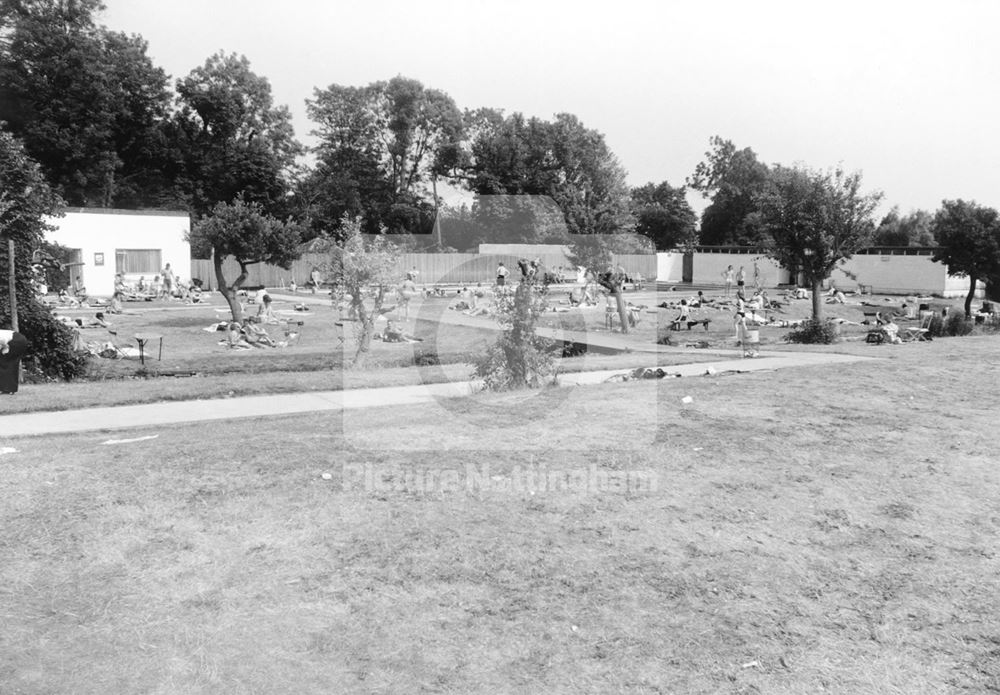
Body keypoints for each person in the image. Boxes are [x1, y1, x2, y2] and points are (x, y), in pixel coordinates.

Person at [0, 329, 29, 394]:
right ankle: (7, 389)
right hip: (18, 339)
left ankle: (8, 388)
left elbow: (3, 341)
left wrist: (5, 349)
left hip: (16, 340)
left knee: (5, 363)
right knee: (8, 364)